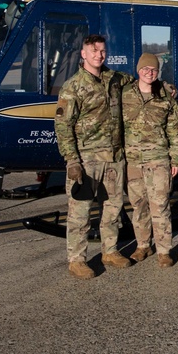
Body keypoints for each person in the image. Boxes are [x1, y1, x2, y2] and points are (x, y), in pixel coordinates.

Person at [54, 34, 133, 279]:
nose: (99, 55)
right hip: (87, 160)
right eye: (94, 50)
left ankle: (109, 250)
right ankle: (77, 259)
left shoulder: (116, 79)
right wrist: (72, 161)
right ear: (83, 54)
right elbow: (63, 126)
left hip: (114, 158)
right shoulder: (73, 86)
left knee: (113, 208)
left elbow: (141, 82)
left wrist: (164, 87)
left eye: (102, 50)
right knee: (80, 212)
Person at [121, 53, 178, 268]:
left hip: (158, 160)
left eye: (153, 70)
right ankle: (142, 245)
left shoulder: (165, 95)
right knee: (138, 207)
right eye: (145, 69)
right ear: (138, 70)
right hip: (133, 161)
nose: (149, 73)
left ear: (158, 72)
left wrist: (176, 158)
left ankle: (164, 250)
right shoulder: (125, 93)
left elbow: (175, 130)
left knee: (160, 206)